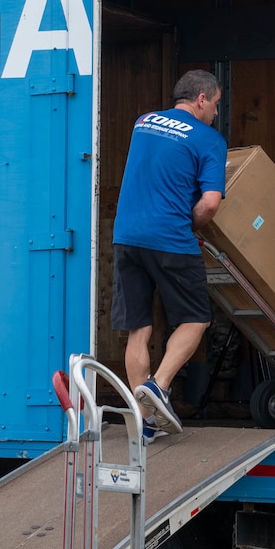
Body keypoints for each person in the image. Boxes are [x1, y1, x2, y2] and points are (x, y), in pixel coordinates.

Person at [112, 69, 228, 440]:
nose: (215, 112)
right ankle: (159, 387)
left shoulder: (143, 122)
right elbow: (209, 204)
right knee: (196, 319)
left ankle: (143, 423)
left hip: (127, 237)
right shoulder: (209, 139)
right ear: (201, 99)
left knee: (139, 329)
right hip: (170, 239)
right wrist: (190, 222)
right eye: (215, 104)